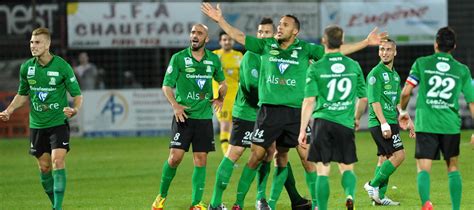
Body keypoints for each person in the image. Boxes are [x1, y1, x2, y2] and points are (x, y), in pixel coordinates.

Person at [201, 3, 387, 209]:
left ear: (295, 31)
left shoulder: (305, 49)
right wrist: (220, 20)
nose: (279, 27)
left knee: (306, 159)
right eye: (279, 24)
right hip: (268, 112)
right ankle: (238, 203)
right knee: (257, 156)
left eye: (285, 25)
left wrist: (365, 42)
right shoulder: (266, 45)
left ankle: (315, 204)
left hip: (295, 114)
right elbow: (240, 37)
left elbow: (335, 51)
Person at [208, 17, 311, 210]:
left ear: (273, 36)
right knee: (236, 152)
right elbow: (250, 87)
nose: (262, 35)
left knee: (276, 152)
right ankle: (216, 203)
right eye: (260, 32)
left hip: (269, 113)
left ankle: (263, 199)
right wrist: (276, 97)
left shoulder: (277, 54)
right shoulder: (250, 56)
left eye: (266, 32)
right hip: (249, 111)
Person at [0, 27, 83, 210]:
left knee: (57, 161)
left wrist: (75, 109)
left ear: (47, 44)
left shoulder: (62, 66)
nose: (33, 46)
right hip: (37, 125)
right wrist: (10, 110)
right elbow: (22, 95)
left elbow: (77, 95)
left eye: (37, 42)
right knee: (44, 168)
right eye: (31, 42)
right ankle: (55, 203)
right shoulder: (27, 68)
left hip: (58, 123)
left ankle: (57, 208)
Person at [150, 23, 227, 210]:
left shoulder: (213, 60)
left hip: (203, 118)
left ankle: (196, 204)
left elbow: (223, 82)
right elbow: (166, 86)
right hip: (183, 116)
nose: (195, 35)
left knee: (201, 160)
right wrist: (175, 106)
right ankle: (161, 197)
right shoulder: (179, 58)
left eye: (199, 33)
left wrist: (220, 97)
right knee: (175, 158)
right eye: (193, 32)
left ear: (206, 39)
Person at [399, 26, 474, 210]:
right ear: (454, 46)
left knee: (423, 167)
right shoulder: (461, 69)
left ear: (435, 45)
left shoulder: (422, 63)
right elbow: (472, 102)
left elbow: (406, 92)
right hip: (450, 125)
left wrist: (402, 110)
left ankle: (426, 203)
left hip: (426, 123)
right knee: (453, 167)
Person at [298, 25, 367, 210]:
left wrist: (303, 128)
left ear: (323, 41)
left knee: (323, 170)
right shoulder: (353, 65)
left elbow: (309, 101)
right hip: (345, 123)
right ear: (342, 41)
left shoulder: (316, 67)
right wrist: (356, 117)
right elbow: (364, 98)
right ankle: (350, 194)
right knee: (346, 167)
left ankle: (322, 207)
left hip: (322, 123)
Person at [363, 39, 414, 206]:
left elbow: (397, 100)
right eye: (382, 49)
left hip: (391, 120)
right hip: (380, 123)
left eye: (388, 49)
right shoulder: (375, 74)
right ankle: (372, 185)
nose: (384, 52)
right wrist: (384, 123)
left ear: (395, 52)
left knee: (384, 159)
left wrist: (405, 115)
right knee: (399, 156)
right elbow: (374, 101)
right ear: (378, 52)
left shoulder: (394, 75)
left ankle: (379, 198)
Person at [212, 31, 243, 155]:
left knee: (233, 127)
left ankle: (230, 154)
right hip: (221, 96)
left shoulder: (239, 55)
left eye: (229, 39)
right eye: (224, 39)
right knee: (225, 125)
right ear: (220, 41)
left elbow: (243, 76)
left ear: (233, 41)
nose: (227, 42)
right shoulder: (214, 55)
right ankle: (227, 155)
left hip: (236, 95)